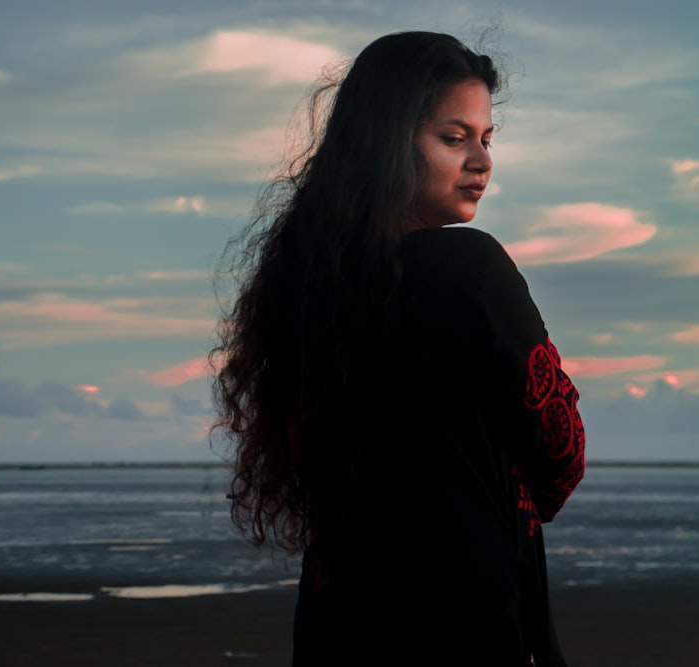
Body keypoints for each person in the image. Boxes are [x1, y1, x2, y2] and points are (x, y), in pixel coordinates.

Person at [211, 30, 586, 666]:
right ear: (389, 143)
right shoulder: (469, 267)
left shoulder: (305, 286)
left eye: (486, 138)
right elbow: (561, 447)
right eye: (453, 137)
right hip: (465, 618)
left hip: (341, 615)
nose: (482, 161)